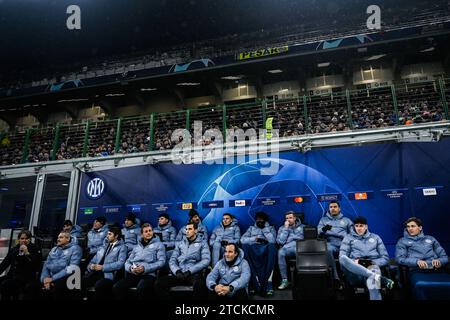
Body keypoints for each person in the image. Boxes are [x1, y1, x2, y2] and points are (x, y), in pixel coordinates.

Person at [339, 216, 394, 300]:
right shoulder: (348, 238)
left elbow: (385, 258)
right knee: (343, 258)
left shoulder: (376, 238)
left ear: (366, 227)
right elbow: (342, 257)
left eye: (361, 226)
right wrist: (356, 262)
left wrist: (369, 262)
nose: (358, 228)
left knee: (373, 273)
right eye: (356, 226)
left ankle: (375, 276)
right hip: (356, 271)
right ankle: (381, 279)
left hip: (373, 266)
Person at [395, 217, 449, 299]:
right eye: (408, 227)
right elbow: (399, 259)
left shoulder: (431, 239)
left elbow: (445, 257)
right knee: (421, 287)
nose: (410, 229)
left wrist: (440, 261)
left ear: (420, 228)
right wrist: (416, 261)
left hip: (437, 270)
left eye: (413, 226)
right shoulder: (402, 241)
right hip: (417, 270)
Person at [155, 222, 211, 300]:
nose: (187, 231)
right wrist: (177, 271)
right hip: (179, 273)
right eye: (186, 229)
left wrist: (190, 271)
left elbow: (206, 260)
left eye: (190, 229)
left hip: (193, 274)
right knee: (159, 284)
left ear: (196, 231)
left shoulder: (203, 243)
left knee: (200, 285)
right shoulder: (180, 243)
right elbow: (172, 260)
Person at [113, 223, 165, 300]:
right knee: (117, 287)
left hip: (149, 274)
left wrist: (145, 268)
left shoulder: (159, 245)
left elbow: (161, 262)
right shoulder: (136, 247)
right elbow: (127, 262)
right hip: (134, 274)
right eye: (146, 231)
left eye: (150, 231)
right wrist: (131, 268)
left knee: (142, 288)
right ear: (141, 234)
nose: (148, 233)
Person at [83, 226, 127, 300]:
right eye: (107, 234)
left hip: (107, 274)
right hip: (95, 272)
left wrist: (103, 267)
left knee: (99, 285)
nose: (107, 236)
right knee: (81, 280)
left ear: (116, 236)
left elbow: (120, 264)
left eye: (110, 234)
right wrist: (91, 266)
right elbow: (93, 260)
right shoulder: (103, 247)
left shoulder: (122, 247)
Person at [240, 211, 277, 296]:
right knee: (244, 247)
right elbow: (242, 240)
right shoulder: (251, 228)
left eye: (261, 219)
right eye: (258, 219)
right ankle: (253, 283)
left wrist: (264, 229)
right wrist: (254, 239)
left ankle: (268, 284)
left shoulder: (271, 228)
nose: (259, 221)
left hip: (265, 249)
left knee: (272, 247)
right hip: (253, 249)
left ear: (265, 220)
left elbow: (273, 241)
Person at [40, 231, 82, 300]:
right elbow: (46, 265)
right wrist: (45, 279)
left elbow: (72, 268)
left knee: (58, 286)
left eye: (61, 237)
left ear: (68, 239)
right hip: (51, 277)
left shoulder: (76, 248)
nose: (58, 239)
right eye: (58, 237)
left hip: (69, 277)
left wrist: (52, 279)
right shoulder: (54, 249)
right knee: (34, 286)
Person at [0, 230, 41, 300]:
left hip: (26, 278)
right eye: (22, 238)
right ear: (18, 239)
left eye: (27, 238)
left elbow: (36, 265)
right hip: (12, 276)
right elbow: (5, 263)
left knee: (6, 285)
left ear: (30, 239)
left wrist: (27, 253)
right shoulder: (14, 249)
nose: (24, 240)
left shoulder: (35, 248)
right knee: (4, 282)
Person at [317, 201, 353, 282]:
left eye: (335, 207)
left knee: (351, 251)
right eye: (331, 207)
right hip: (331, 243)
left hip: (343, 243)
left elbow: (353, 234)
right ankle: (335, 278)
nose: (333, 209)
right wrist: (323, 230)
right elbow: (318, 233)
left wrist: (345, 237)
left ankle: (346, 277)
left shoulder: (346, 220)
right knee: (327, 249)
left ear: (339, 209)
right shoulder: (323, 220)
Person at [277, 211, 304, 290]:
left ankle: (303, 279)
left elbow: (307, 239)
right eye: (287, 218)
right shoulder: (282, 228)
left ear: (295, 218)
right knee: (280, 252)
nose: (288, 220)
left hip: (299, 247)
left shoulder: (303, 227)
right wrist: (286, 229)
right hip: (287, 248)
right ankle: (284, 280)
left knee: (302, 251)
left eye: (290, 218)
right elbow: (280, 242)